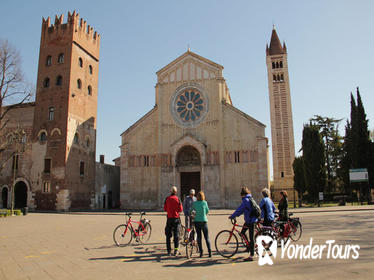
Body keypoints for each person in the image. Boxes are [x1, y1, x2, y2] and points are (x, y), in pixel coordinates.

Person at [229, 187, 258, 262]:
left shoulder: (245, 200)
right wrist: (236, 215)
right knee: (242, 233)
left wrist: (233, 216)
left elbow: (239, 209)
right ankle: (248, 247)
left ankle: (252, 255)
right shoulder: (250, 198)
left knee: (251, 238)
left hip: (251, 220)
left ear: (242, 194)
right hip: (249, 219)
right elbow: (244, 210)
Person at [191, 191, 212, 258]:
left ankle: (201, 252)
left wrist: (194, 214)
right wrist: (203, 214)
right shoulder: (205, 203)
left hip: (197, 221)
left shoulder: (195, 203)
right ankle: (209, 252)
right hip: (204, 221)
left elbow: (191, 211)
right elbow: (207, 211)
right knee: (207, 237)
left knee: (199, 238)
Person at [164, 186, 183, 256]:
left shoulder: (167, 199)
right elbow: (180, 209)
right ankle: (176, 250)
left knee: (168, 235)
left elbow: (165, 209)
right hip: (176, 218)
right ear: (176, 192)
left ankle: (168, 251)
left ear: (170, 191)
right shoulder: (178, 199)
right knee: (176, 235)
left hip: (169, 218)